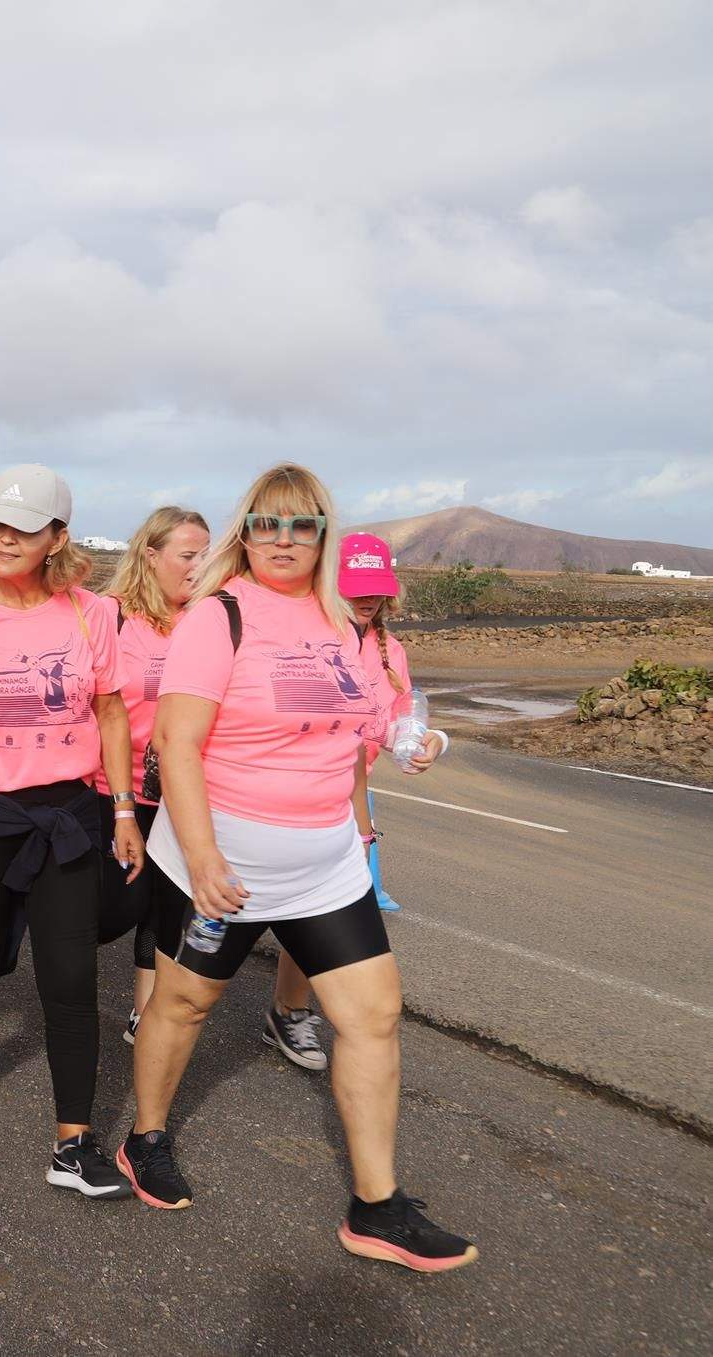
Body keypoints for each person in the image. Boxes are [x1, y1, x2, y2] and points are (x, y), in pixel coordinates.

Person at [122, 463, 473, 1272]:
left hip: (325, 864)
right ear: (245, 532)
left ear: (323, 534)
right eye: (266, 523)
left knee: (373, 1015)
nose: (282, 539)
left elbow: (375, 715)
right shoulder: (218, 616)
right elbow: (175, 741)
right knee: (182, 1005)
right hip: (224, 863)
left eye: (301, 524)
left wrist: (414, 740)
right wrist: (201, 856)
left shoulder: (340, 620)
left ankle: (376, 1206)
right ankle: (145, 1137)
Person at [0, 465, 144, 1201]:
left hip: (69, 817)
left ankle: (72, 1144)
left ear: (57, 537)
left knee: (70, 979)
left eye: (24, 527)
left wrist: (121, 811)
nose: (5, 538)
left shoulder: (92, 614)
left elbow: (111, 711)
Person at [263, 531, 446, 1071]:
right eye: (355, 587)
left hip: (349, 802)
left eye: (376, 588)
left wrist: (430, 741)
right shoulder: (304, 637)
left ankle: (289, 1010)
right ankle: (171, 1002)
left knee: (313, 915)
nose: (367, 598)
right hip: (283, 796)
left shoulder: (391, 651)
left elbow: (397, 723)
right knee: (230, 912)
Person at [91, 506, 212, 1045]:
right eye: (188, 555)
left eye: (206, 555)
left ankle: (145, 1012)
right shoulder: (110, 616)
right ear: (151, 554)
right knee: (115, 907)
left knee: (166, 909)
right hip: (111, 788)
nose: (199, 566)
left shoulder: (210, 621)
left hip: (182, 790)